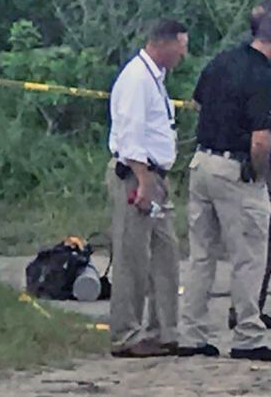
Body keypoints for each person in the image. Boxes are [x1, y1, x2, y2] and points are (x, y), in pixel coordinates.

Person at [177, 8, 271, 364]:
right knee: (248, 255)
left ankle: (192, 333)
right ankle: (247, 334)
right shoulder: (265, 74)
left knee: (201, 255)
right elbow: (261, 138)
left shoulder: (221, 61)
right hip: (236, 167)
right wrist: (258, 175)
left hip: (202, 162)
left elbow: (199, 101)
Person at [106, 19, 189, 358]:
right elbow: (129, 133)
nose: (183, 54)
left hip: (156, 176)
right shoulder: (136, 79)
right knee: (132, 256)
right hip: (135, 174)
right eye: (180, 46)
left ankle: (162, 329)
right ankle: (126, 333)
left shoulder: (157, 80)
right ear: (163, 43)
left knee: (165, 254)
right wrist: (142, 180)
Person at [225, 0, 271, 332]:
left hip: (223, 156)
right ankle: (250, 307)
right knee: (261, 238)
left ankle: (245, 306)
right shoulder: (269, 71)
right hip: (260, 160)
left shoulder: (227, 62)